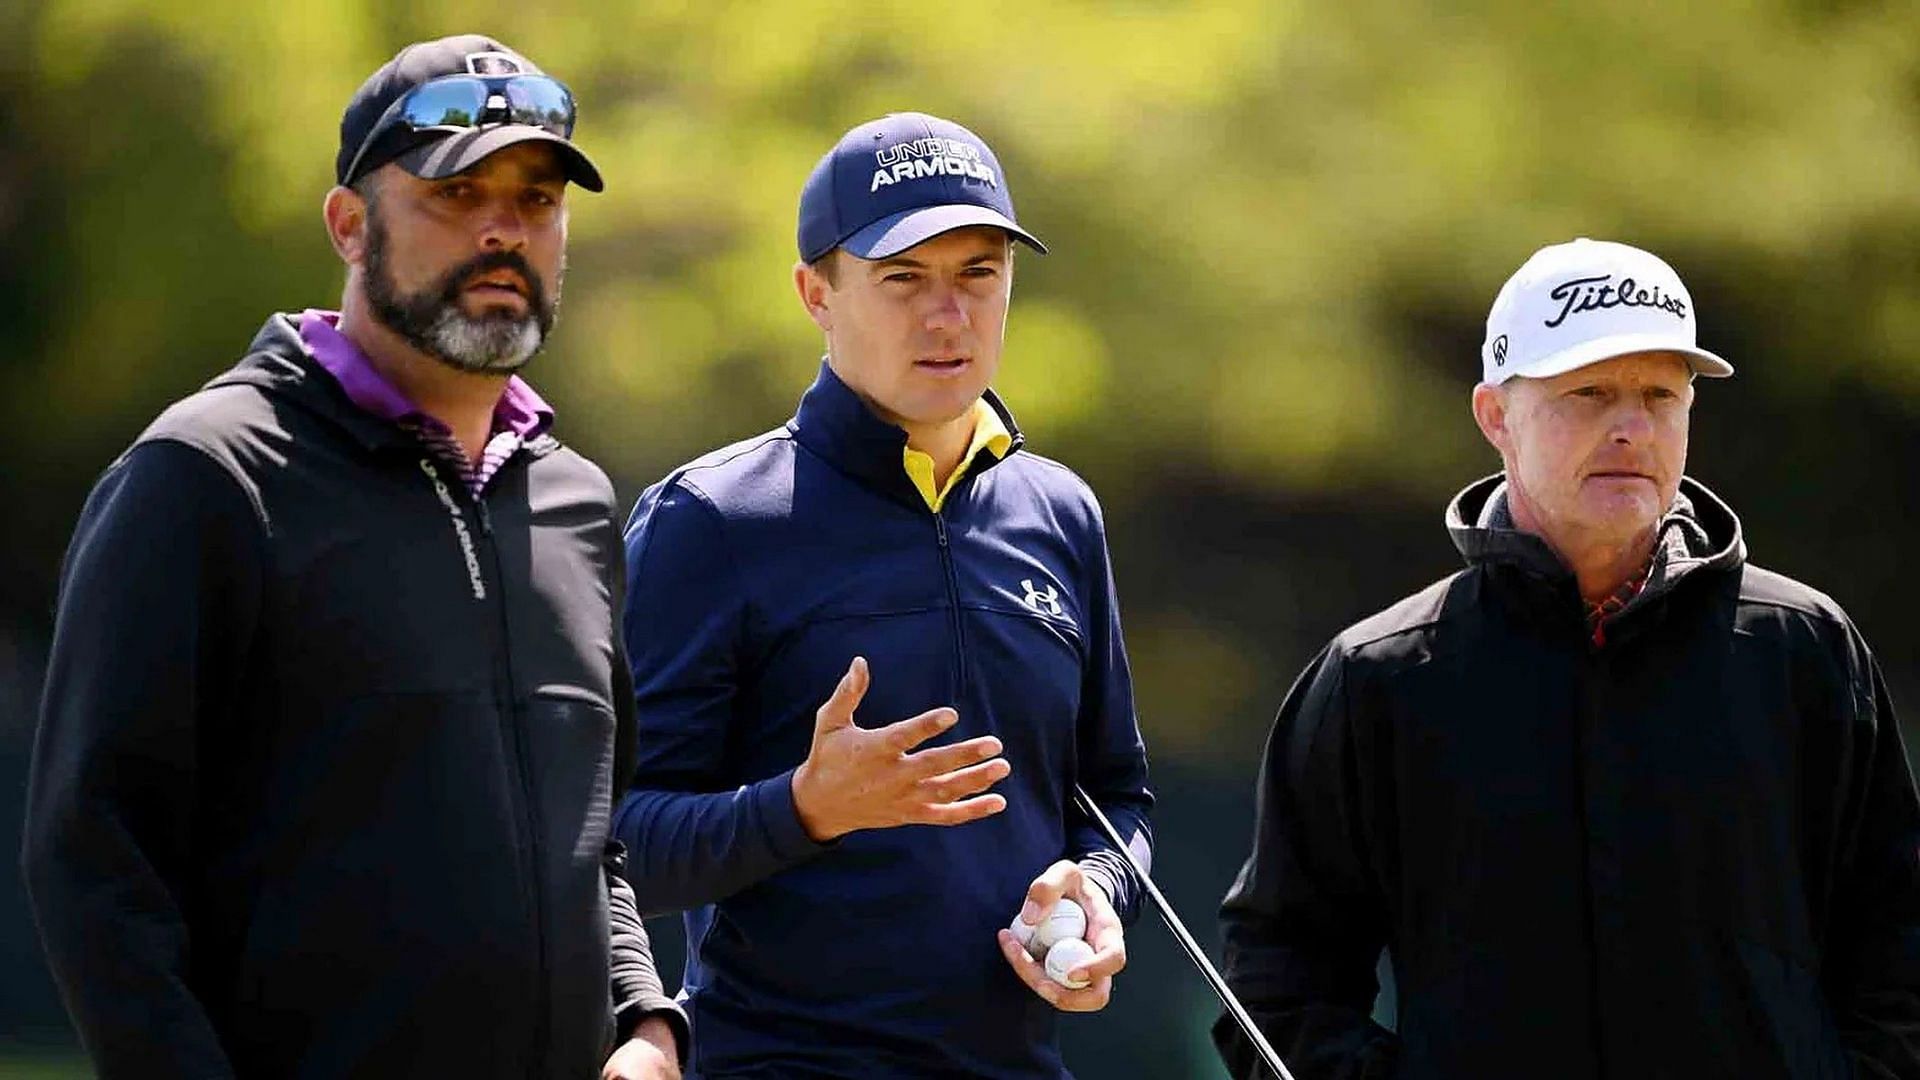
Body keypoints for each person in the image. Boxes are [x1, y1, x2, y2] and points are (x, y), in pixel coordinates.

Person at [22, 35, 687, 1079]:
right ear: (348, 224)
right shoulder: (207, 478)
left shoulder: (578, 503)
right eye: (456, 194)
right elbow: (94, 866)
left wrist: (643, 1021)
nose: (504, 230)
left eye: (539, 199)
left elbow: (590, 837)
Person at [1214, 237, 1920, 1079]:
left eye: (1660, 394)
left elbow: (1898, 948)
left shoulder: (1803, 646)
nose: (1630, 426)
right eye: (1589, 392)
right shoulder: (1381, 675)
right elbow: (1276, 982)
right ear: (1495, 416)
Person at [615, 112, 1154, 1077]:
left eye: (977, 276)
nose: (947, 316)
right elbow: (619, 845)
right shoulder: (713, 520)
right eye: (903, 278)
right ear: (815, 294)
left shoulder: (1061, 512)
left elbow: (1115, 799)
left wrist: (1096, 891)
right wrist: (808, 806)